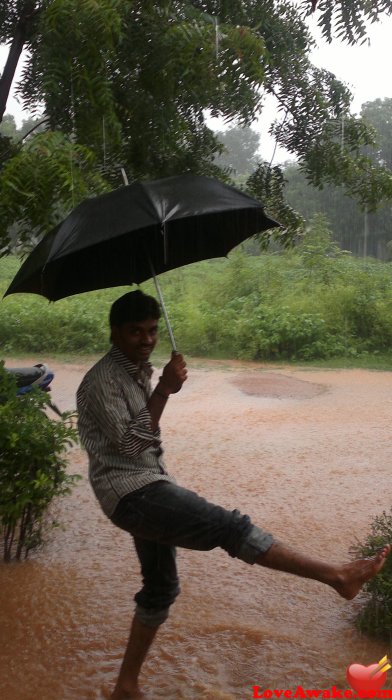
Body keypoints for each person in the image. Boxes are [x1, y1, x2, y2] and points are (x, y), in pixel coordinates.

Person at [76, 290, 390, 700]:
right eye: (136, 332)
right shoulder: (102, 380)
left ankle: (125, 687)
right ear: (115, 332)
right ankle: (337, 575)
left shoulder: (137, 371)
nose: (147, 340)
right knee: (229, 527)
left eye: (152, 331)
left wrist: (159, 386)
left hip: (149, 485)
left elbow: (142, 435)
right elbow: (132, 446)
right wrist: (165, 391)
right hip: (132, 493)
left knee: (160, 588)